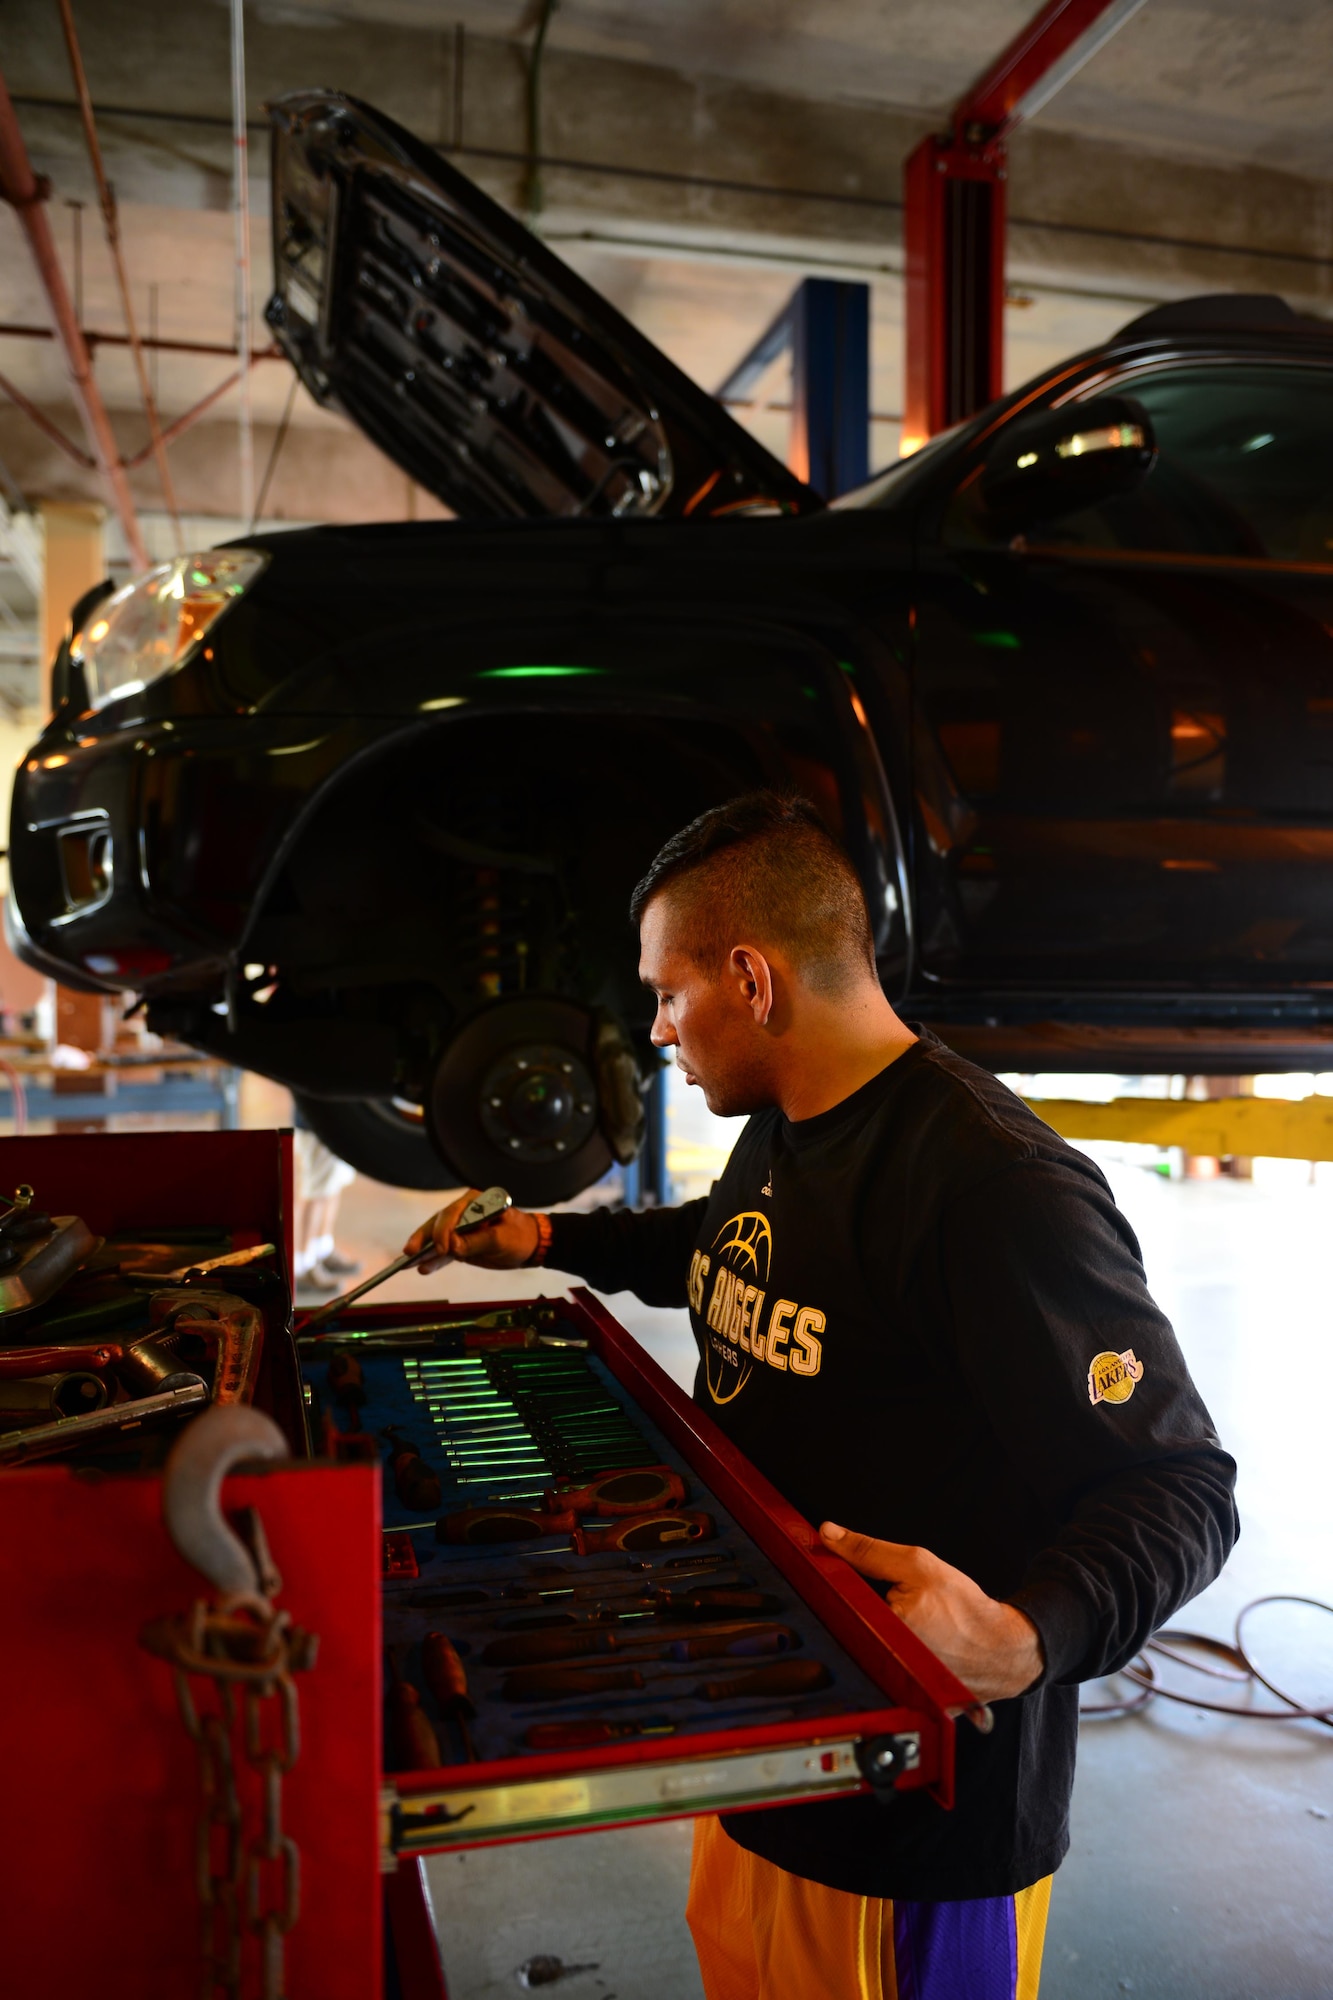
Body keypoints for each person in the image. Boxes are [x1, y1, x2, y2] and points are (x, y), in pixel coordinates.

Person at [404, 791, 1238, 2000]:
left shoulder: (993, 1189)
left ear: (750, 978)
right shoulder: (796, 1120)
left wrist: (1024, 1634)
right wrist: (545, 1237)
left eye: (666, 992)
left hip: (910, 1828)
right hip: (769, 1742)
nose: (655, 1029)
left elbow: (1180, 1483)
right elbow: (732, 1240)